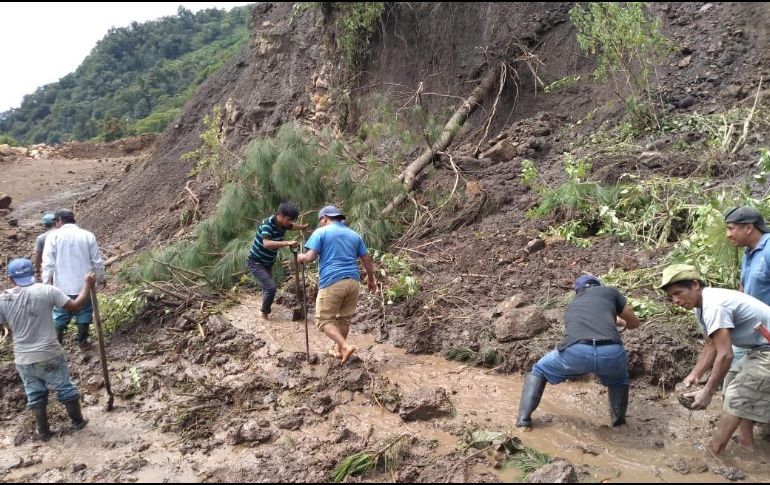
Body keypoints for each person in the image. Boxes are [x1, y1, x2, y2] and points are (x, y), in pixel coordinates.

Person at [659, 264, 770, 456]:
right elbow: (711, 345)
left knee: (738, 393)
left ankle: (713, 451)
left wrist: (708, 391)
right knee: (729, 386)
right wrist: (695, 374)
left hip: (765, 348)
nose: (675, 300)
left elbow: (726, 354)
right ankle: (746, 442)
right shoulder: (701, 306)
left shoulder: (714, 305)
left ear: (695, 284)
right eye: (671, 297)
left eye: (678, 293)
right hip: (759, 348)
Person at [516, 274, 640, 428]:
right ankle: (619, 424)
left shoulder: (573, 304)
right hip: (611, 353)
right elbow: (634, 322)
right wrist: (621, 322)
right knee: (619, 380)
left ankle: (523, 421)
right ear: (598, 285)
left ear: (578, 291)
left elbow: (585, 322)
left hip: (576, 351)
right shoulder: (610, 292)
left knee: (538, 370)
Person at [0, 258, 93, 441]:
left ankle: (43, 432)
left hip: (23, 357)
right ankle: (78, 422)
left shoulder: (3, 298)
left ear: (11, 279)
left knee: (34, 393)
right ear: (33, 274)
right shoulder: (47, 290)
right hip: (49, 353)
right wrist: (87, 285)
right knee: (64, 387)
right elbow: (76, 306)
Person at [296, 205, 377, 363]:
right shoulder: (354, 235)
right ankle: (338, 351)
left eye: (321, 221)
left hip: (333, 281)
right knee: (344, 319)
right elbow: (366, 258)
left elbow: (309, 258)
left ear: (325, 218)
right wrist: (371, 279)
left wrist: (300, 257)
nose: (320, 224)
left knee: (323, 320)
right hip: (353, 282)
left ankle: (345, 346)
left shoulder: (321, 232)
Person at [724, 206, 770, 448]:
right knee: (736, 383)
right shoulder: (750, 253)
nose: (728, 235)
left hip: (767, 335)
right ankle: (746, 441)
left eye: (731, 229)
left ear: (749, 227)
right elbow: (743, 291)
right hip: (749, 333)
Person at [41, 208, 105, 350]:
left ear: (59, 221)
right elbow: (97, 261)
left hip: (61, 286)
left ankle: (57, 345)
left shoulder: (53, 237)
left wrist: (46, 284)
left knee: (59, 314)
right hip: (84, 284)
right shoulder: (87, 235)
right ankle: (83, 342)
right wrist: (101, 277)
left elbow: (48, 264)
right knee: (84, 312)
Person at [247, 202, 308, 320]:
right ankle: (264, 314)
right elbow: (266, 243)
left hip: (268, 262)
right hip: (255, 261)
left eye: (291, 220)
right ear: (279, 214)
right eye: (288, 219)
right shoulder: (267, 224)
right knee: (271, 287)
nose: (289, 222)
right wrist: (287, 243)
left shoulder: (284, 224)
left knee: (267, 287)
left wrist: (303, 227)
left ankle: (266, 305)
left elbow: (292, 226)